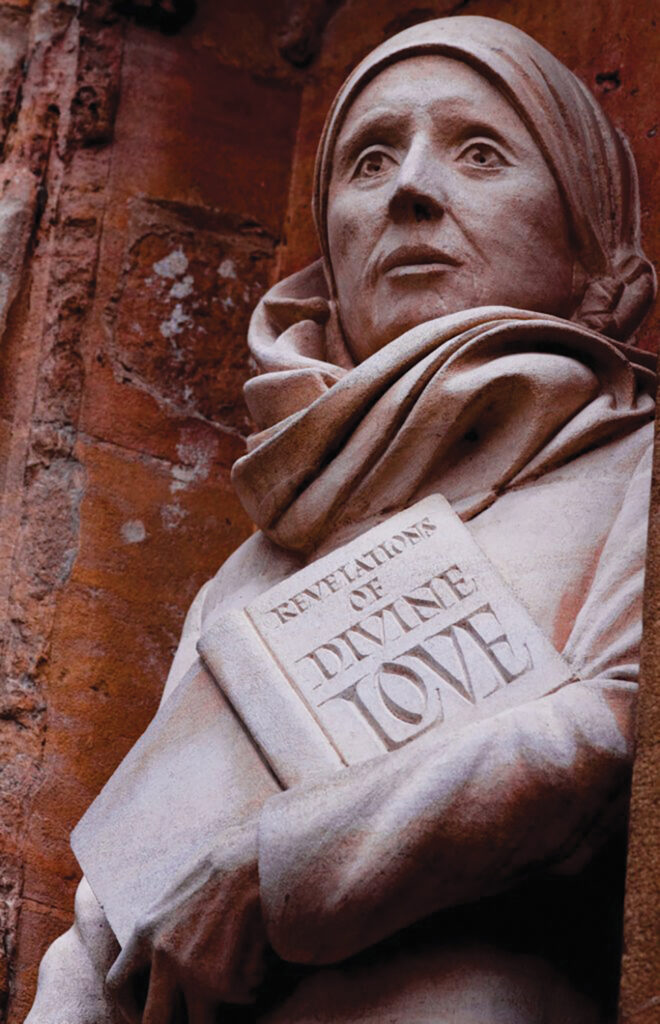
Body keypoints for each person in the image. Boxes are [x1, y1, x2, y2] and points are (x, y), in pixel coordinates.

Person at [26, 15, 656, 1024]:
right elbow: (124, 897)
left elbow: (621, 730)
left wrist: (270, 873)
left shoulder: (637, 465)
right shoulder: (254, 566)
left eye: (480, 150)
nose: (410, 187)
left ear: (586, 232)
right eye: (368, 158)